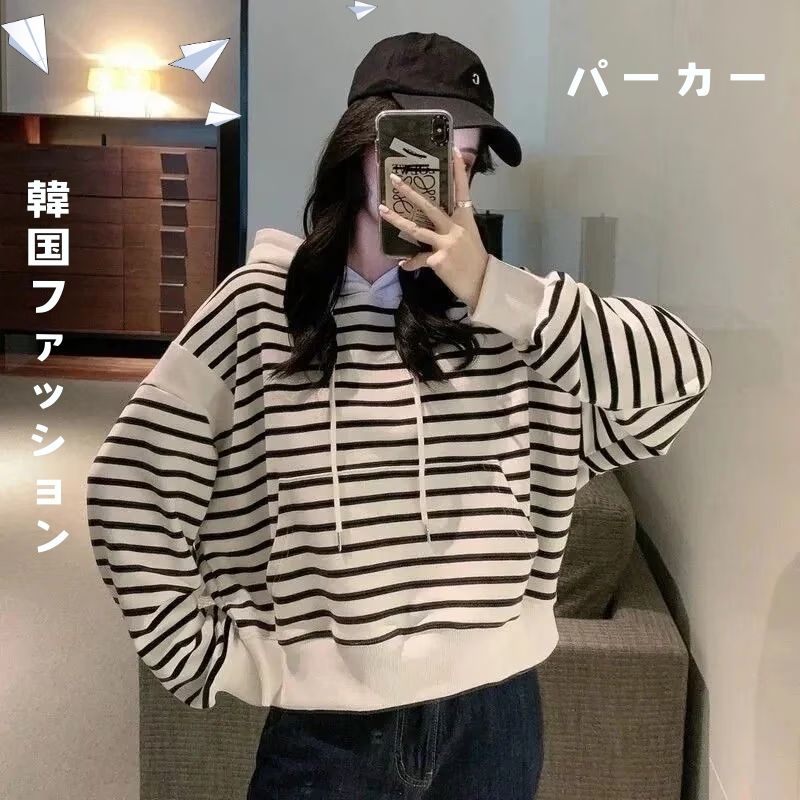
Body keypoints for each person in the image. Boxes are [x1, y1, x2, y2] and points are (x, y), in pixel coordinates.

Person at [86, 31, 713, 800]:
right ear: (361, 150)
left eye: (465, 162)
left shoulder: (511, 321)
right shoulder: (262, 308)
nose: (443, 182)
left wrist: (491, 286)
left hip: (499, 717)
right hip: (330, 735)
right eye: (422, 151)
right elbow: (129, 485)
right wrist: (204, 656)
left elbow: (678, 383)